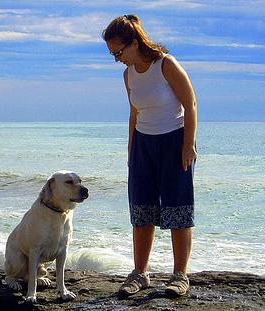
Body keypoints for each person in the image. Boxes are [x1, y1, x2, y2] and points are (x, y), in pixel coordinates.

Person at [102, 14, 197, 298]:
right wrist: (132, 149)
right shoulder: (128, 74)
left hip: (174, 140)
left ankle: (180, 275)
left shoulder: (165, 64)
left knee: (177, 209)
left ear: (134, 43)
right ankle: (140, 273)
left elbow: (190, 104)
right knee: (141, 210)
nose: (116, 58)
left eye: (118, 52)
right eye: (112, 54)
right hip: (143, 144)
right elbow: (134, 113)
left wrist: (188, 144)